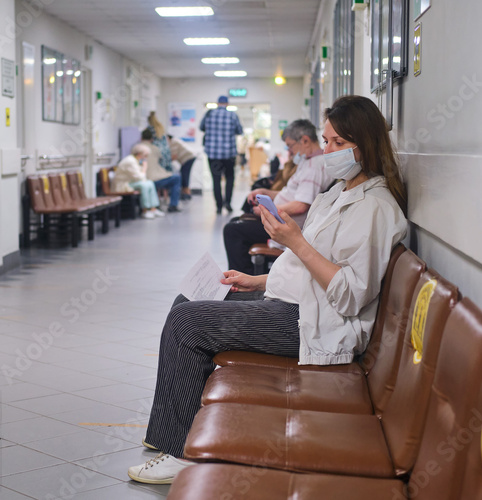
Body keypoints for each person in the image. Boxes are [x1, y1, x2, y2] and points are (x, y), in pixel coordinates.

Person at [127, 95, 408, 484]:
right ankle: (170, 431)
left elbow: (349, 294)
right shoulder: (340, 192)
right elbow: (304, 271)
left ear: (365, 145)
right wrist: (256, 281)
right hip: (293, 302)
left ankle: (181, 454)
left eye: (337, 144)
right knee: (189, 299)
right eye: (325, 141)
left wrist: (296, 242)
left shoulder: (375, 208)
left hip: (310, 322)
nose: (326, 151)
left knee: (187, 323)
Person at [223, 119, 333, 274]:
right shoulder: (308, 162)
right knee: (236, 223)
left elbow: (301, 205)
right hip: (281, 218)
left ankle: (243, 283)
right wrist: (266, 193)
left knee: (233, 230)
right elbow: (292, 194)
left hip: (286, 226)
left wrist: (267, 210)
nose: (290, 151)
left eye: (290, 146)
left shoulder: (314, 167)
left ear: (305, 140)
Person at [200, 95, 243, 214]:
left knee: (216, 179)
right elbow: (240, 131)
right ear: (227, 104)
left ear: (217, 103)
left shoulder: (209, 114)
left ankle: (219, 206)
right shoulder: (233, 115)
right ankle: (228, 204)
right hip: (229, 154)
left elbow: (201, 127)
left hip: (213, 154)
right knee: (229, 178)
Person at [111, 143, 164, 220]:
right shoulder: (130, 161)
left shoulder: (135, 160)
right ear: (139, 154)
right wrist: (145, 168)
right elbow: (140, 178)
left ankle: (153, 208)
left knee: (150, 183)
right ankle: (145, 210)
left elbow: (141, 177)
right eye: (145, 156)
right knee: (144, 185)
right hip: (122, 185)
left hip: (129, 183)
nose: (146, 158)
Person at [141, 129, 182, 213]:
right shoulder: (155, 149)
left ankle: (156, 205)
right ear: (152, 139)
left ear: (141, 137)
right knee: (176, 178)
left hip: (147, 177)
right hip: (154, 178)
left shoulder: (137, 148)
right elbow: (164, 161)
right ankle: (173, 205)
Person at [167, 135, 196, 200]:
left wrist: (166, 161)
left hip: (188, 158)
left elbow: (174, 156)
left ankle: (186, 193)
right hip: (189, 157)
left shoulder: (173, 142)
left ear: (168, 138)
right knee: (184, 174)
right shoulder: (174, 141)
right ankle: (186, 192)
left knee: (184, 175)